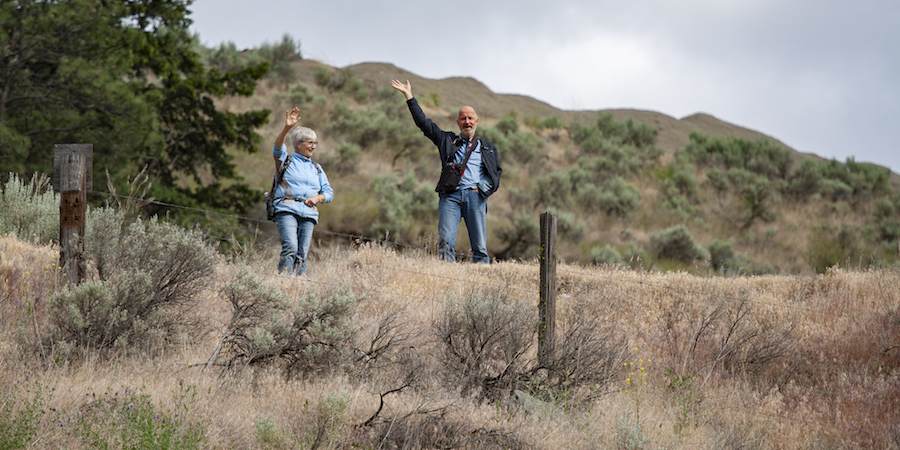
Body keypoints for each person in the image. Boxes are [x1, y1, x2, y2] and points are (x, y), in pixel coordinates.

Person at [390, 79, 501, 263]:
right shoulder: (447, 140)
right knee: (445, 242)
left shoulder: (487, 148)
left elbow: (496, 173)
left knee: (480, 247)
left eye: (470, 118)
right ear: (458, 122)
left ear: (477, 121)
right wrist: (409, 96)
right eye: (463, 118)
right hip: (450, 196)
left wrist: (481, 189)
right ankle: (447, 277)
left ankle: (483, 280)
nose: (467, 121)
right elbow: (424, 124)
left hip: (475, 197)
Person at [270, 107, 333, 275]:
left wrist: (318, 197)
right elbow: (277, 148)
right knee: (290, 247)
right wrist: (287, 128)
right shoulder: (286, 160)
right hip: (286, 209)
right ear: (299, 144)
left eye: (315, 143)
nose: (314, 146)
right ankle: (283, 283)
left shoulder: (317, 168)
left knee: (301, 255)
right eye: (310, 143)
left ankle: (297, 288)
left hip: (309, 214)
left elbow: (329, 192)